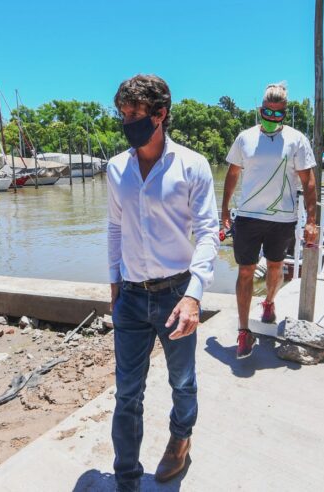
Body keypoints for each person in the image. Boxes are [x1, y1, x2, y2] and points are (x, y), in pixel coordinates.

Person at [107, 74, 219, 492]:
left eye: (134, 114)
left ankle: (180, 439)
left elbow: (209, 233)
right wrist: (114, 286)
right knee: (126, 395)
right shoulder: (116, 168)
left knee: (182, 381)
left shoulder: (192, 165)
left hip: (177, 294)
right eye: (123, 114)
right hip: (132, 297)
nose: (127, 121)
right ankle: (126, 478)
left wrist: (194, 295)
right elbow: (115, 229)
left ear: (160, 114)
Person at [221, 82, 318, 359]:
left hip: (283, 219)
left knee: (276, 266)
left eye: (278, 114)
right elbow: (232, 175)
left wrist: (311, 220)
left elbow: (308, 181)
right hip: (249, 217)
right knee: (245, 271)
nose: (273, 118)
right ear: (260, 110)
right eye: (268, 113)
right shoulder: (245, 138)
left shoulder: (297, 140)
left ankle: (269, 302)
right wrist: (224, 212)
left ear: (285, 113)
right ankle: (243, 331)